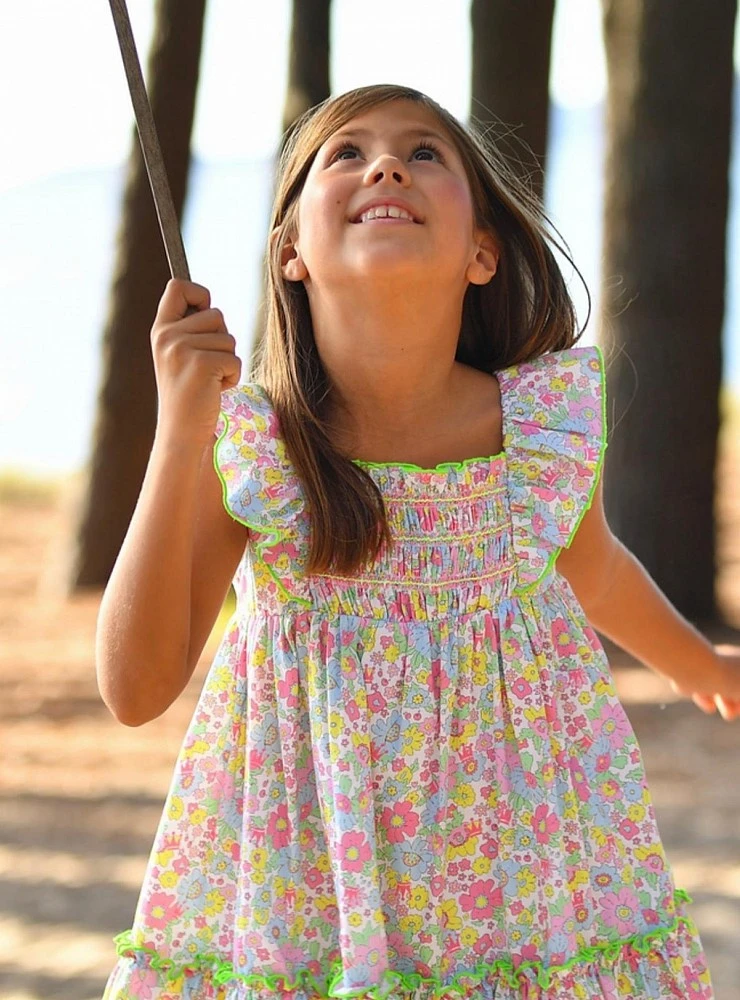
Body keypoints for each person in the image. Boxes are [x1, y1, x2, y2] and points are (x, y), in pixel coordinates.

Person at [96, 83, 739, 1000]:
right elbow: (135, 688)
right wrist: (177, 431)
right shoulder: (254, 451)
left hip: (521, 888)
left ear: (482, 251)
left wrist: (704, 667)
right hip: (310, 890)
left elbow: (596, 571)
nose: (386, 165)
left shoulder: (538, 432)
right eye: (345, 153)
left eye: (424, 153)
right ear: (290, 254)